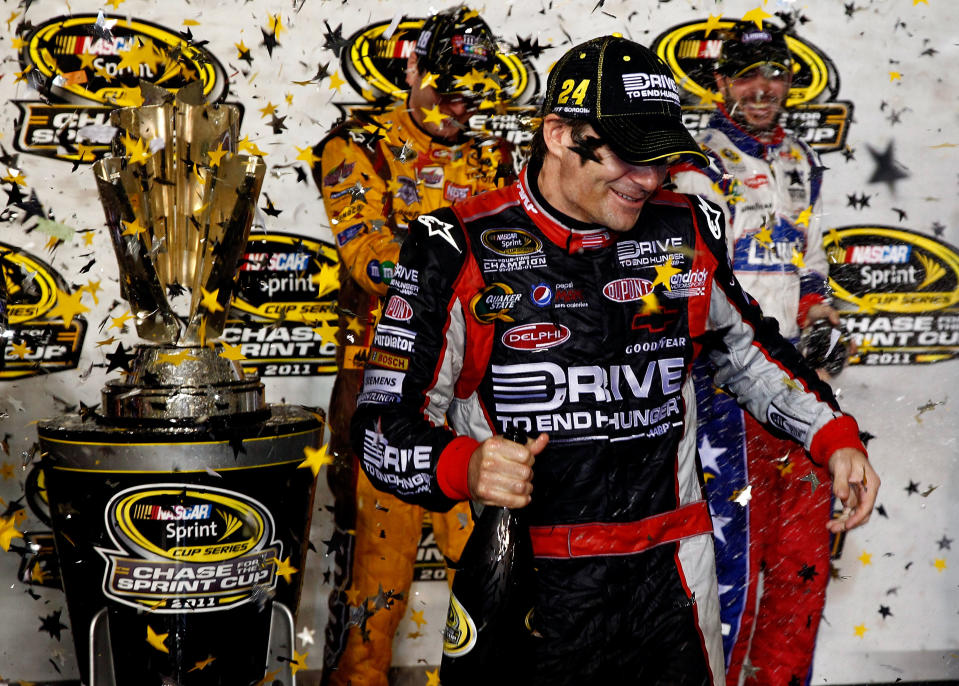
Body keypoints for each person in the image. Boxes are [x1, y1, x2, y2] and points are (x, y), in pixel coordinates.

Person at [350, 35, 878, 685]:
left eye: (659, 159)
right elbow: (379, 428)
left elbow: (746, 351)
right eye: (628, 156)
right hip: (530, 574)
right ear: (557, 134)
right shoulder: (453, 246)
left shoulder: (683, 227)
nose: (647, 179)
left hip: (671, 570)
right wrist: (463, 464)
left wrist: (832, 434)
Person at [311, 6, 514, 685]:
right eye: (447, 81)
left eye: (474, 86)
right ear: (411, 67)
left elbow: (515, 265)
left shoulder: (496, 154)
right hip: (382, 381)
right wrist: (456, 267)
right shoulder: (357, 142)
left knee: (486, 570)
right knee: (377, 578)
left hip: (472, 391)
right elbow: (365, 256)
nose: (459, 100)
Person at [670, 20, 846, 685]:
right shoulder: (696, 161)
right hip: (725, 393)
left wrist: (821, 317)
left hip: (797, 394)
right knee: (731, 571)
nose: (761, 88)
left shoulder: (801, 159)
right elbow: (692, 282)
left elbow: (810, 275)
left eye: (773, 73)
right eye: (746, 74)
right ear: (719, 83)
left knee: (801, 568)